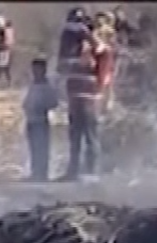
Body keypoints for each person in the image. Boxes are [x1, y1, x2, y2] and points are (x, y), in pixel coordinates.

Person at [60, 25, 102, 182]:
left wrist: (87, 35)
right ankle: (73, 171)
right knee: (75, 138)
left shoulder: (93, 53)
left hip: (89, 102)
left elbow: (101, 49)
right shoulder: (71, 55)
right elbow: (61, 68)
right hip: (75, 102)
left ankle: (91, 171)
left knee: (90, 137)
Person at [22, 57, 58, 181]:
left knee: (42, 147)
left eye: (38, 69)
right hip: (30, 120)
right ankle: (35, 172)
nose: (35, 72)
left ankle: (42, 173)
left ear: (44, 70)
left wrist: (42, 106)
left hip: (41, 120)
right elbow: (26, 101)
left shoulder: (47, 86)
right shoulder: (32, 84)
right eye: (34, 69)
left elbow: (54, 102)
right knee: (33, 147)